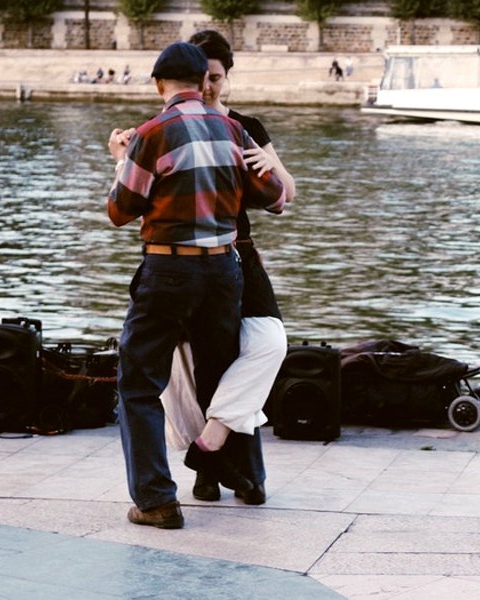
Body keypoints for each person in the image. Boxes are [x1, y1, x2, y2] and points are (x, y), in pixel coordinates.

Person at [106, 41, 286, 529]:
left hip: (169, 268)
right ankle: (245, 478)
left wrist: (122, 160)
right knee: (219, 370)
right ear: (199, 80)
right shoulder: (233, 130)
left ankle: (156, 500)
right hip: (224, 270)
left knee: (139, 382)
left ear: (159, 82)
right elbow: (274, 197)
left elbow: (120, 210)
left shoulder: (153, 133)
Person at [161, 29, 296, 506]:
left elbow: (287, 195)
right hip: (193, 258)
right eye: (203, 78)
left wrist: (269, 167)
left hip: (241, 251)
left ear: (226, 77)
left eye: (216, 78)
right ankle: (223, 473)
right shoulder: (174, 124)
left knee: (268, 343)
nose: (210, 87)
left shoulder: (245, 126)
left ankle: (212, 445)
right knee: (206, 362)